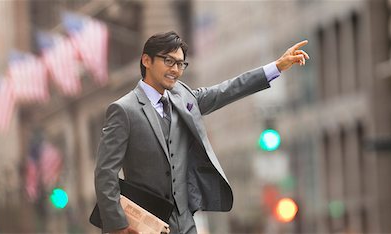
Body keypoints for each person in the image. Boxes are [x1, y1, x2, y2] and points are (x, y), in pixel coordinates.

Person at [94, 31, 309, 234]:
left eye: (180, 64)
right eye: (168, 61)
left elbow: (227, 90)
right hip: (145, 225)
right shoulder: (123, 110)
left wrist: (277, 67)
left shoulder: (183, 97)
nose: (175, 70)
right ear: (146, 61)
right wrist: (117, 224)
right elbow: (105, 173)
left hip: (186, 222)